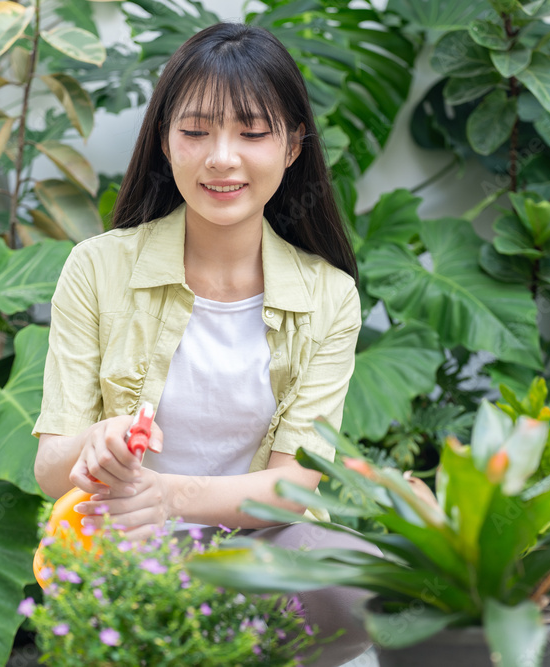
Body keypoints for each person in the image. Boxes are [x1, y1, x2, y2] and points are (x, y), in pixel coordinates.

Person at [32, 22, 376, 666]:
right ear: (165, 141)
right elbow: (52, 469)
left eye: (252, 133)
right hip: (127, 546)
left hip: (263, 558)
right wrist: (98, 441)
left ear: (293, 146)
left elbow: (297, 486)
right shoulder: (97, 267)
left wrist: (166, 495)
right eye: (195, 131)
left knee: (366, 580)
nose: (222, 157)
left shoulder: (330, 295)